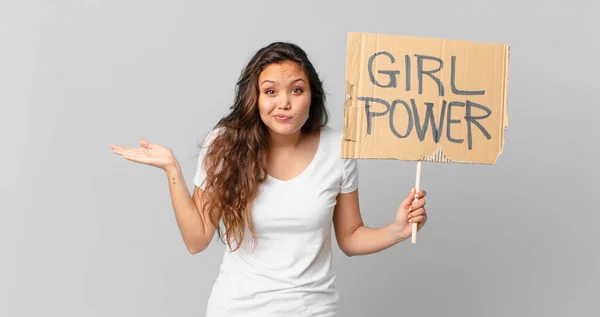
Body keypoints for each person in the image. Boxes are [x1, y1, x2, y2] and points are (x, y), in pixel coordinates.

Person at [109, 42, 427, 317]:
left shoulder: (338, 149)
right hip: (237, 309)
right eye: (271, 91)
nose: (283, 103)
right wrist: (172, 170)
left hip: (312, 310)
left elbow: (350, 237)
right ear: (255, 98)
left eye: (296, 90)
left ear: (311, 96)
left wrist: (398, 229)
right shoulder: (224, 145)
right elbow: (196, 240)